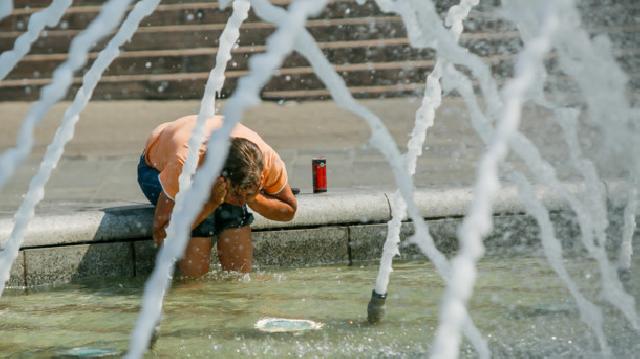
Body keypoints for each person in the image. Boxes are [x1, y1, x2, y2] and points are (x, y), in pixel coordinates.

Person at [137, 115, 297, 277]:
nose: (241, 201)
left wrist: (255, 199)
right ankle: (193, 286)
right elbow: (160, 233)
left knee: (233, 211)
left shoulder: (268, 161)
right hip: (153, 167)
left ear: (261, 178)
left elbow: (289, 210)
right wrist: (209, 204)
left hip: (204, 140)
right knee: (196, 204)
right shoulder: (184, 165)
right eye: (235, 194)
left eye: (247, 193)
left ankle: (239, 282)